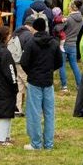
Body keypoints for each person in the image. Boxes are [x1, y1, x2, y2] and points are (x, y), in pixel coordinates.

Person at [20, 15, 63, 150]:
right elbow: (59, 62)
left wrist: (31, 73)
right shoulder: (54, 43)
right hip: (48, 81)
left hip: (34, 81)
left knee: (34, 113)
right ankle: (49, 143)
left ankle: (36, 143)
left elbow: (24, 62)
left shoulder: (31, 43)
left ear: (34, 28)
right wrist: (49, 70)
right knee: (49, 113)